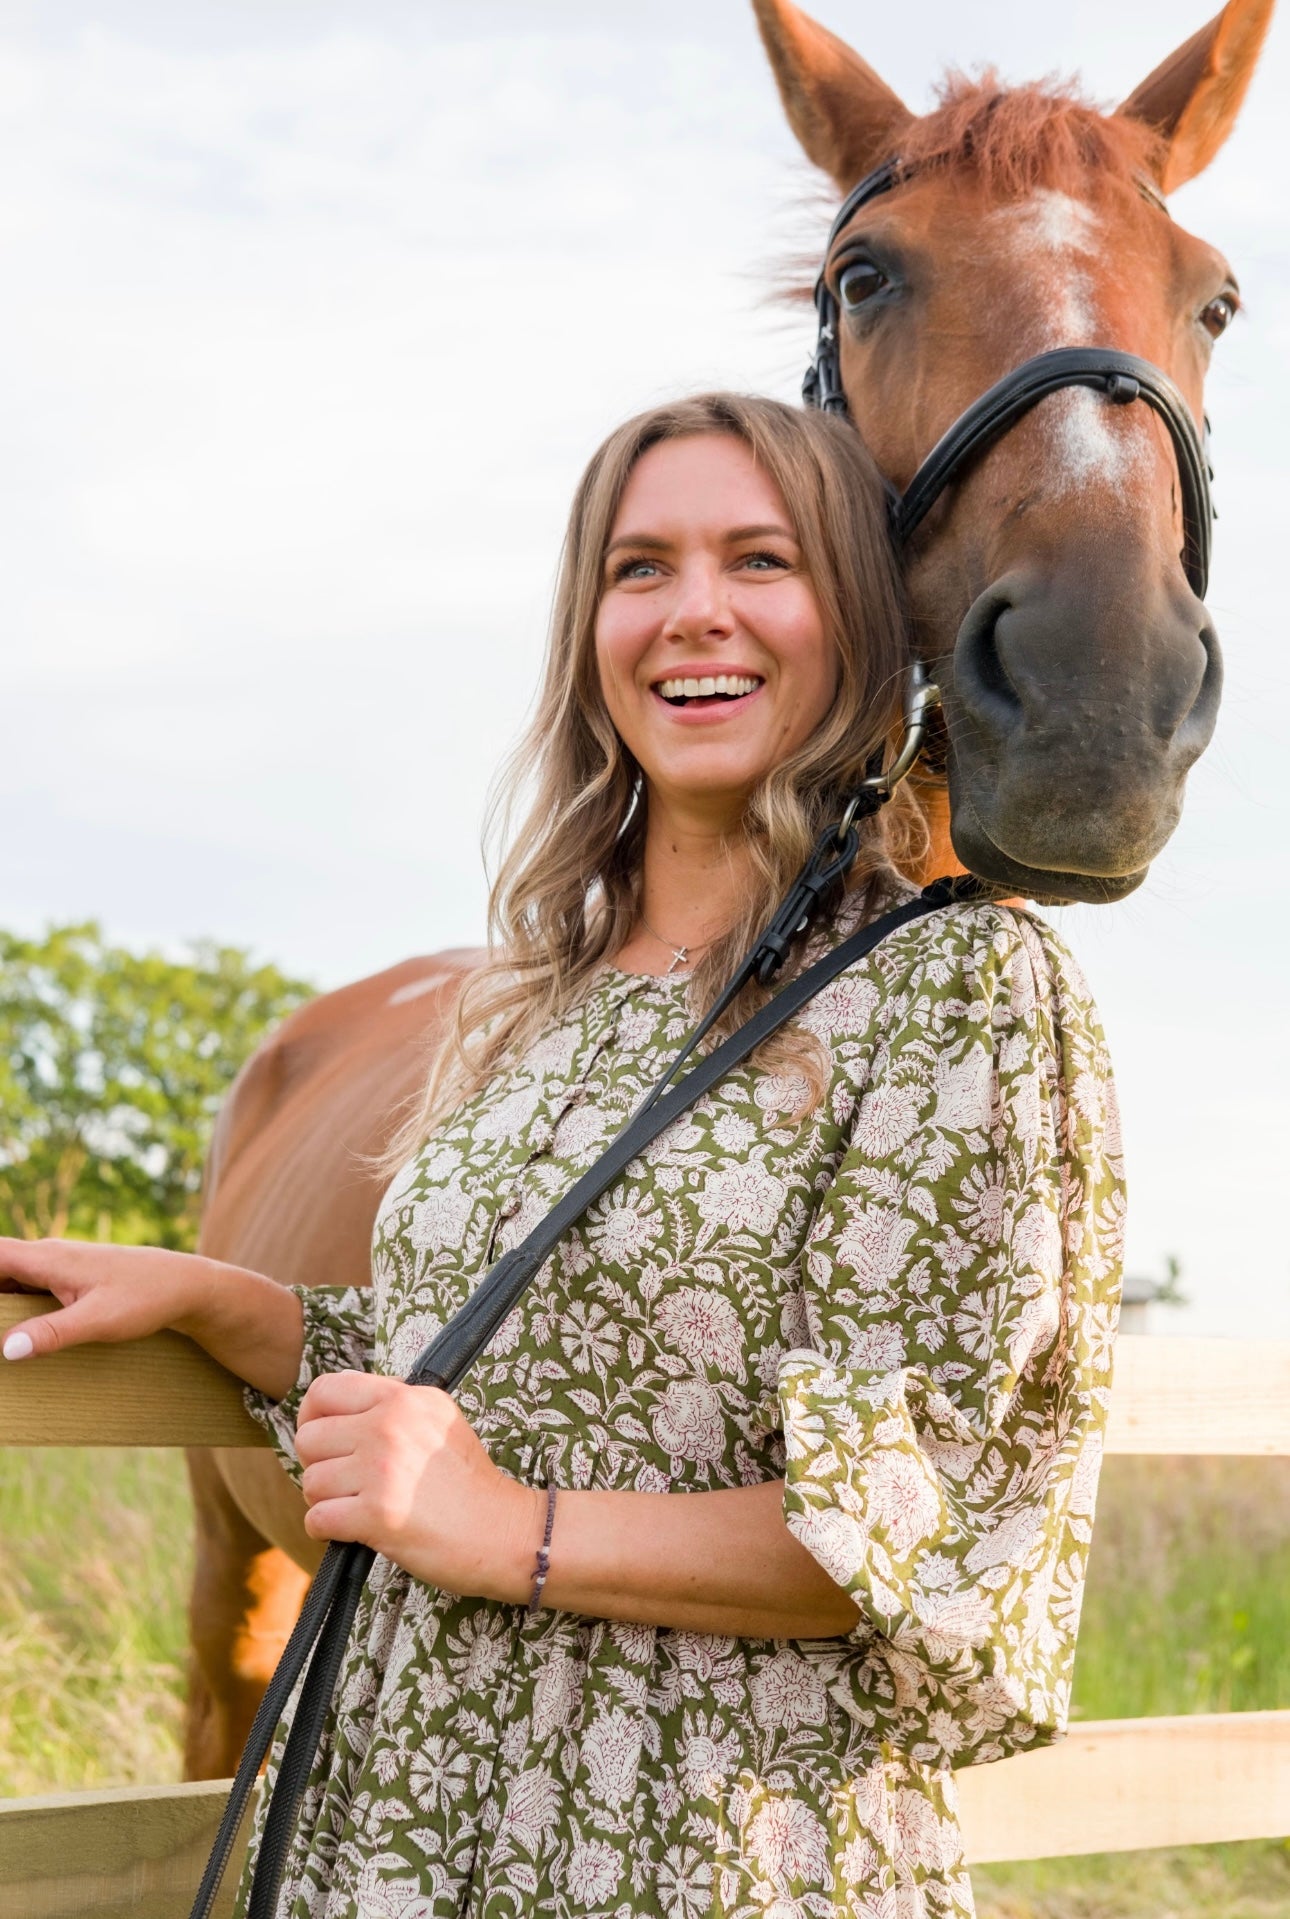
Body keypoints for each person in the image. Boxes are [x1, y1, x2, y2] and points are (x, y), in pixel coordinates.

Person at [1, 393, 1123, 1918]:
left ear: (858, 620)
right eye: (638, 567)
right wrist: (218, 1301)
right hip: (399, 1823)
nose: (694, 613)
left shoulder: (961, 991)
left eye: (761, 560)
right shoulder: (543, 995)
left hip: (699, 1846)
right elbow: (481, 1380)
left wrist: (497, 1530)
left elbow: (923, 1517)